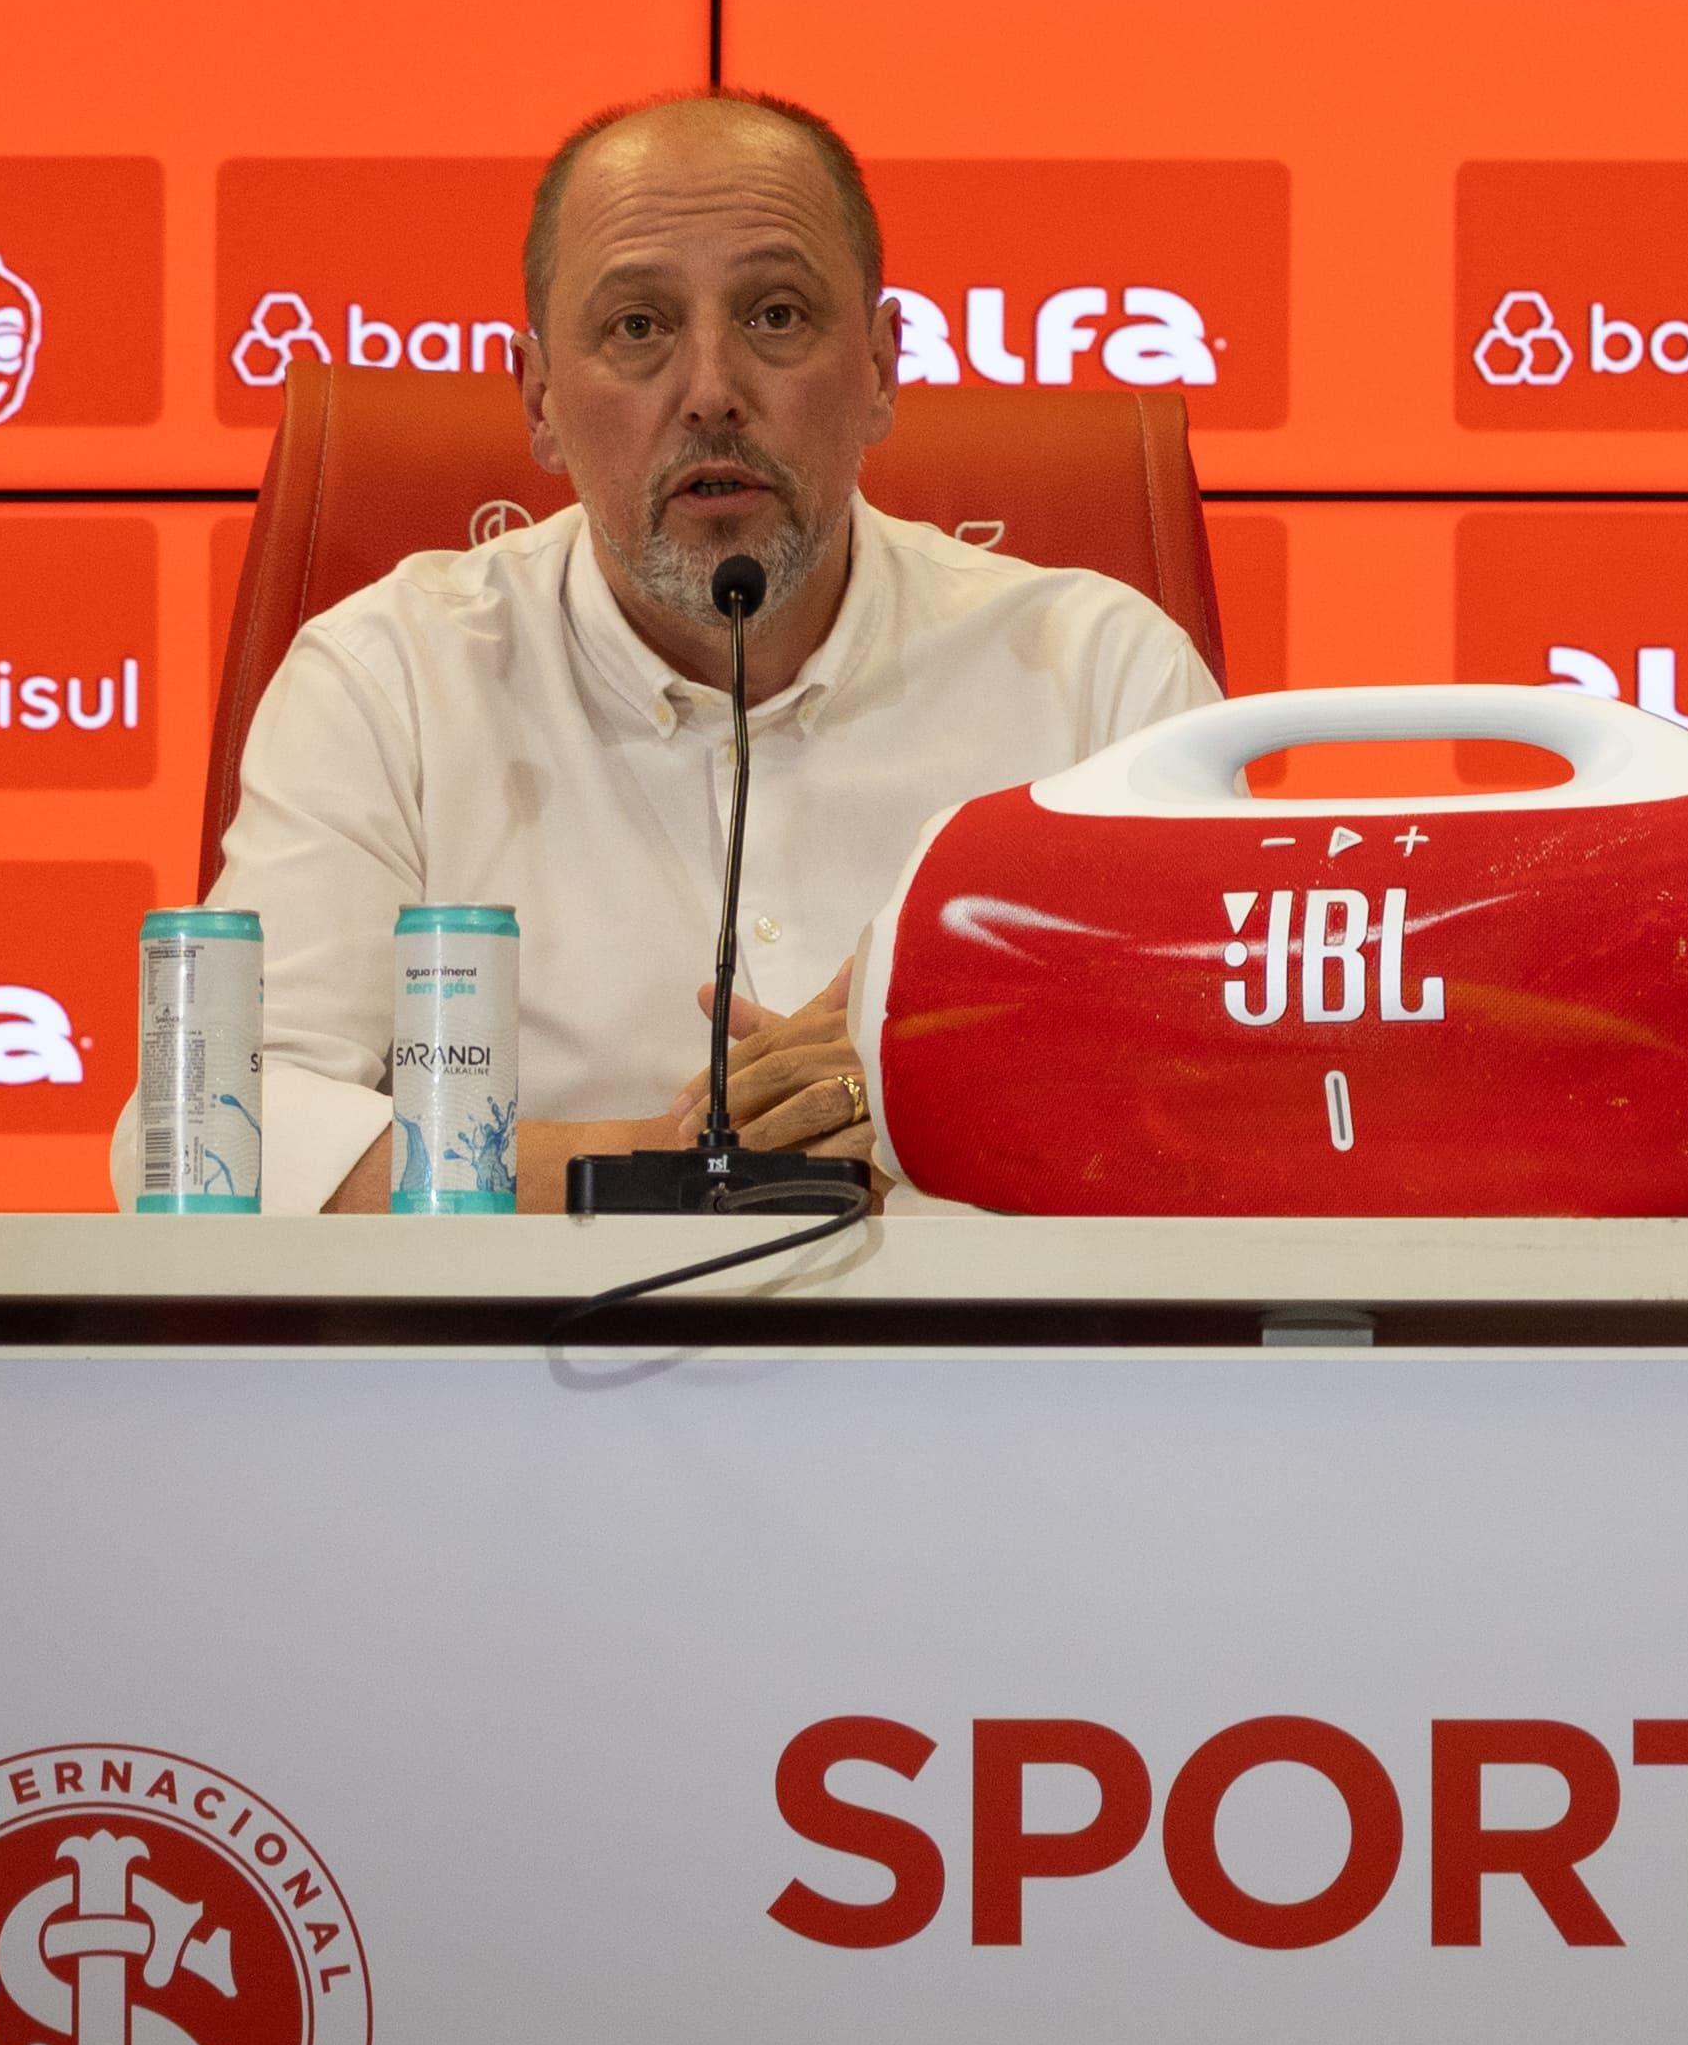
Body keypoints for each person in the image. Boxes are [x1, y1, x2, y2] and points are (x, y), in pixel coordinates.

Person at [175, 89, 1214, 1211]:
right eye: (637, 327)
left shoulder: (1098, 677)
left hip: (1003, 1383)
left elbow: (1238, 1100)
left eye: (774, 316)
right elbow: (213, 1124)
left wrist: (938, 1108)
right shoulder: (392, 682)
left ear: (878, 368)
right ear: (539, 402)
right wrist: (679, 1161)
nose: (712, 394)